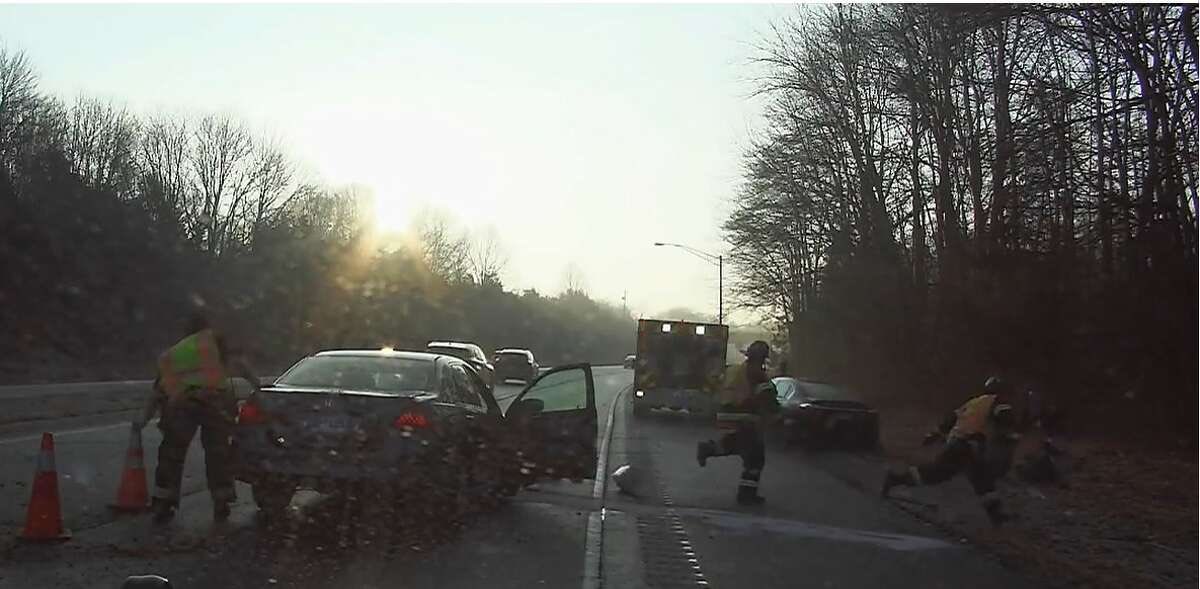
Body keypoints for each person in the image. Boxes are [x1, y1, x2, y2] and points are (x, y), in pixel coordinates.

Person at [134, 309, 261, 523]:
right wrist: (259, 387)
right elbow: (240, 366)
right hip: (215, 402)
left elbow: (157, 391)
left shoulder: (173, 353)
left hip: (181, 404)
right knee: (218, 453)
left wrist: (143, 419)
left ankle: (164, 504)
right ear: (206, 327)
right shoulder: (213, 341)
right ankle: (221, 502)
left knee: (171, 454)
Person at [880, 376, 1018, 525]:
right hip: (968, 444)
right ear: (1000, 391)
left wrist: (934, 435)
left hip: (957, 443)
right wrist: (1011, 436)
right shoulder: (997, 402)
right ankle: (895, 479)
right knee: (948, 475)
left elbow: (951, 419)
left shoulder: (973, 402)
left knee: (976, 478)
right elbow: (1004, 417)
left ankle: (996, 516)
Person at [695, 340, 779, 506]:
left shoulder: (734, 370)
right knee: (755, 458)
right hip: (745, 419)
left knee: (735, 445)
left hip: (726, 416)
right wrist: (777, 413)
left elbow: (717, 387)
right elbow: (767, 397)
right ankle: (746, 495)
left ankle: (708, 449)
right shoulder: (757, 374)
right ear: (762, 357)